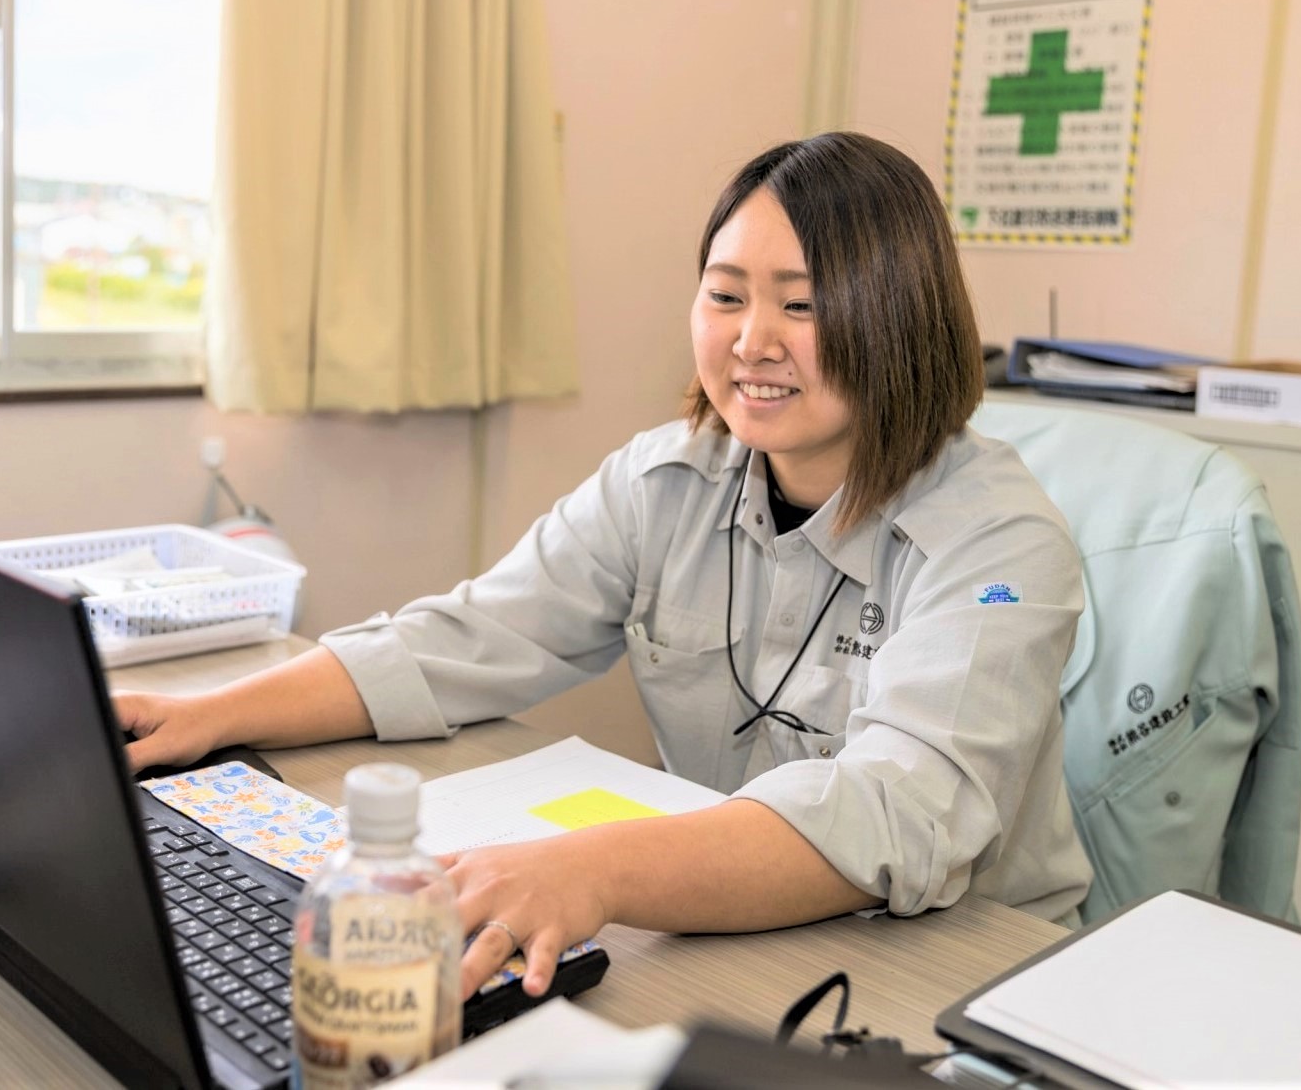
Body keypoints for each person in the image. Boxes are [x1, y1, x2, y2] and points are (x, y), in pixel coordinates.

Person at [115, 131, 1093, 1001]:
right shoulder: (668, 479)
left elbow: (900, 808)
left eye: (803, 303)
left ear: (900, 321)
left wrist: (592, 871)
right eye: (725, 295)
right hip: (737, 931)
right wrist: (211, 714)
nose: (753, 339)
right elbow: (470, 635)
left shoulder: (1000, 543)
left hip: (972, 975)